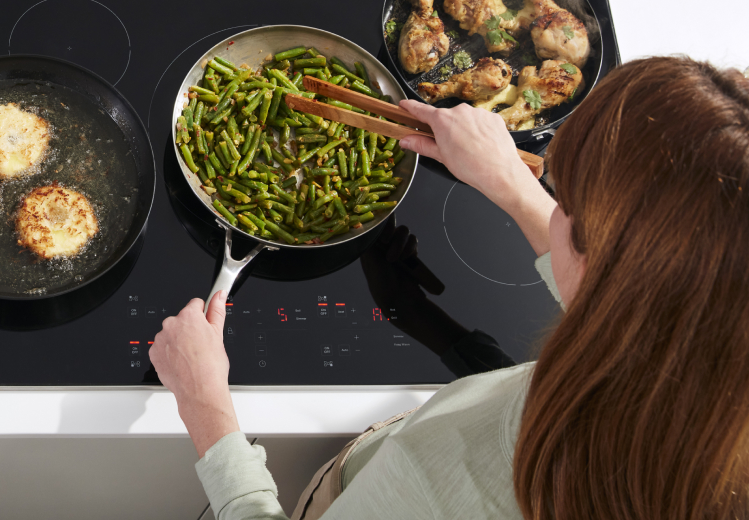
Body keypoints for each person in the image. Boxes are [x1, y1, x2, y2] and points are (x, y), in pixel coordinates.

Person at [149, 57, 749, 520]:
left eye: (564, 198)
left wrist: (204, 405)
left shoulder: (450, 489)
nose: (553, 206)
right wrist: (511, 184)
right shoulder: (709, 362)